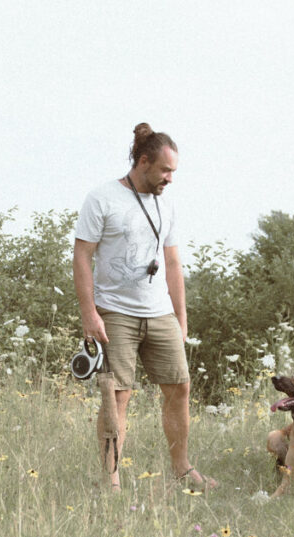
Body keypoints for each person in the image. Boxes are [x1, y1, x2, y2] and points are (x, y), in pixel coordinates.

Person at [73, 123, 215, 493]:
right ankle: (112, 480)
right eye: (165, 170)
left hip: (160, 312)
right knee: (117, 395)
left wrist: (181, 319)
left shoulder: (166, 204)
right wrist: (89, 313)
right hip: (115, 312)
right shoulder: (101, 198)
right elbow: (82, 256)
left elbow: (171, 263)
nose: (170, 179)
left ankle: (183, 469)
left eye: (174, 172)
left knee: (180, 387)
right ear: (144, 160)